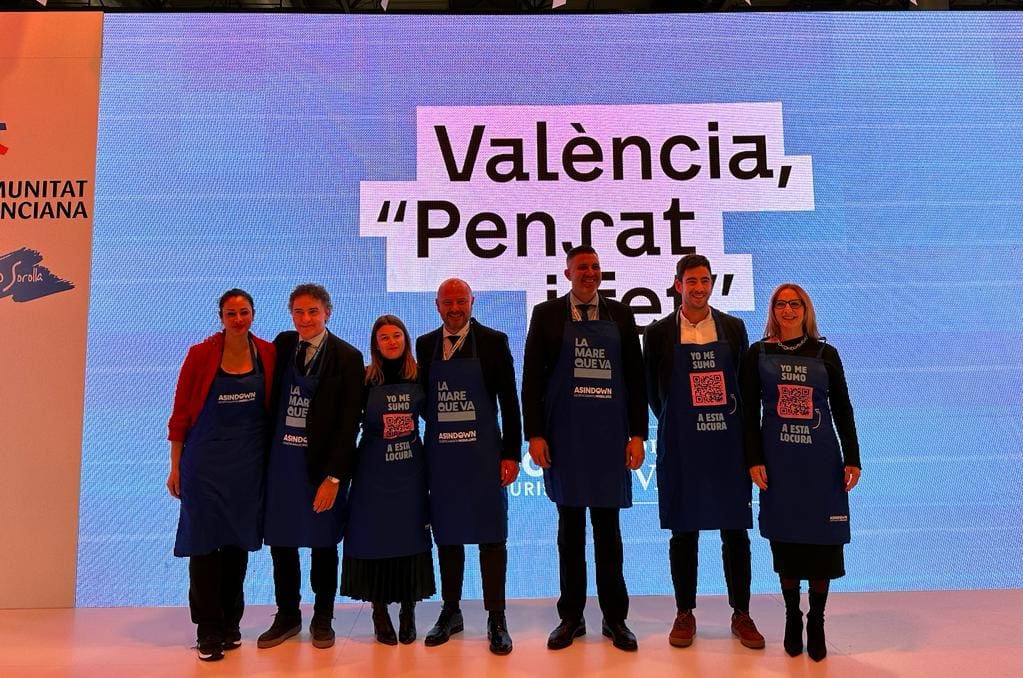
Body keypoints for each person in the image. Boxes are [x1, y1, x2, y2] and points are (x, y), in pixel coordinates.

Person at [522, 245, 647, 652]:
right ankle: (571, 618)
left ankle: (615, 619)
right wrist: (535, 434)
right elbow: (532, 380)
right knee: (570, 534)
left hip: (610, 439)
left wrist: (638, 434)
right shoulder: (546, 314)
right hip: (565, 438)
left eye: (594, 267)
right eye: (581, 268)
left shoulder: (621, 315)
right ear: (568, 274)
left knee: (609, 534)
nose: (589, 273)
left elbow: (636, 378)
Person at [642, 254, 764, 650]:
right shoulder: (657, 333)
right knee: (683, 531)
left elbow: (744, 388)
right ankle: (684, 612)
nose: (698, 288)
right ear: (678, 285)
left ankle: (741, 613)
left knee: (736, 532)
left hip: (728, 446)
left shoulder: (733, 327)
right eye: (691, 281)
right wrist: (683, 422)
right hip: (682, 447)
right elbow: (653, 393)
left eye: (704, 281)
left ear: (712, 284)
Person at [741, 283, 862, 662]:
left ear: (805, 310)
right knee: (787, 540)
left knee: (823, 543)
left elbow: (843, 408)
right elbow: (748, 413)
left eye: (795, 304)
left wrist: (853, 458)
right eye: (781, 304)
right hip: (779, 463)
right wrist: (754, 459)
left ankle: (817, 621)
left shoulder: (826, 354)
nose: (788, 310)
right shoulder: (758, 353)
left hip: (821, 462)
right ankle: (793, 616)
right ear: (773, 311)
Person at [167, 289, 276, 662]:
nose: (238, 319)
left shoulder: (268, 353)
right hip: (204, 466)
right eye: (231, 313)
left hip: (247, 467)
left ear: (253, 314)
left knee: (237, 545)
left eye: (244, 312)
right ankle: (208, 630)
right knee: (204, 546)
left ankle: (231, 623)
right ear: (221, 317)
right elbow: (180, 414)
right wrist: (175, 466)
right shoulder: (200, 355)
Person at [416, 278, 522, 656]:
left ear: (472, 302)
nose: (455, 309)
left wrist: (511, 453)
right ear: (437, 306)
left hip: (484, 456)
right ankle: (451, 611)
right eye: (448, 303)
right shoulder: (425, 345)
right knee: (448, 534)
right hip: (443, 457)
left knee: (491, 535)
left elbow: (509, 401)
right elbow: (423, 402)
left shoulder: (493, 341)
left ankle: (497, 617)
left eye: (461, 301)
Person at [259, 284, 364, 650]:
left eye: (313, 312)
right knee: (282, 543)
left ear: (327, 313)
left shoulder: (348, 357)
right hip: (282, 464)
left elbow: (349, 423)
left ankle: (323, 617)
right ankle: (287, 615)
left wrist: (334, 477)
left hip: (322, 469)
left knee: (323, 544)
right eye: (299, 312)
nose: (306, 319)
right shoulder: (283, 345)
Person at [341, 315, 436, 645]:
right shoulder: (364, 379)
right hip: (371, 472)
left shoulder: (421, 375)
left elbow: (435, 421)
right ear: (375, 344)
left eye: (397, 335)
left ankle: (408, 613)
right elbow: (347, 425)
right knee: (374, 539)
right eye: (384, 337)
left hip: (410, 471)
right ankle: (379, 613)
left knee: (410, 539)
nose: (392, 341)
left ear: (405, 340)